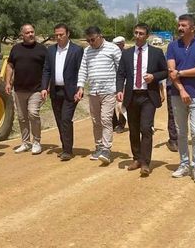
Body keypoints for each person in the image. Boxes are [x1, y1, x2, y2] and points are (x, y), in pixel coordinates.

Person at [116, 23, 168, 176]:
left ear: (147, 36)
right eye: (136, 33)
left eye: (141, 33)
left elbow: (165, 71)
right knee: (133, 130)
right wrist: (119, 90)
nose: (138, 36)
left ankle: (146, 162)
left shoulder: (156, 53)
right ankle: (136, 158)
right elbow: (121, 74)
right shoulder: (126, 53)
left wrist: (154, 77)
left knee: (145, 128)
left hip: (148, 96)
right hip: (131, 96)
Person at [167, 14, 195, 183]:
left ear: (192, 28)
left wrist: (182, 73)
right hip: (178, 94)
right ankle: (184, 164)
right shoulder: (172, 46)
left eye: (183, 25)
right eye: (179, 25)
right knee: (181, 132)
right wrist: (182, 89)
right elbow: (171, 71)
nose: (180, 28)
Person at [75, 26, 122, 165]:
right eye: (88, 40)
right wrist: (80, 86)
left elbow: (121, 69)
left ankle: (106, 149)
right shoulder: (87, 51)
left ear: (100, 36)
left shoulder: (113, 48)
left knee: (106, 119)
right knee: (96, 120)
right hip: (93, 91)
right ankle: (99, 147)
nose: (91, 42)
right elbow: (83, 69)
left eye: (93, 39)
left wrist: (121, 88)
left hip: (109, 90)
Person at [41, 23, 84, 161]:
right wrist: (44, 87)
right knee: (59, 120)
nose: (58, 37)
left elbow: (81, 71)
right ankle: (65, 146)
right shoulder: (51, 50)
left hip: (70, 91)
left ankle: (67, 150)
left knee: (66, 119)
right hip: (55, 90)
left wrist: (79, 88)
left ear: (68, 34)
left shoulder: (77, 50)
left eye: (61, 35)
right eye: (56, 35)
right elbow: (47, 69)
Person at [6, 24, 47, 155]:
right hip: (19, 89)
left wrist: (46, 87)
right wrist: (7, 82)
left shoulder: (42, 49)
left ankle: (36, 142)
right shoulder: (16, 49)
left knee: (33, 114)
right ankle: (25, 142)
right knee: (22, 117)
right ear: (22, 35)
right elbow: (10, 66)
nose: (31, 34)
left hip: (36, 89)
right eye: (27, 32)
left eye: (32, 32)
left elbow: (47, 70)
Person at [112, 36, 128, 132]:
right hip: (111, 82)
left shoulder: (127, 54)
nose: (116, 47)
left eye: (118, 45)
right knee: (110, 104)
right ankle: (114, 122)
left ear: (123, 44)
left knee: (121, 104)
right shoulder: (111, 53)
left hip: (124, 83)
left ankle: (121, 124)